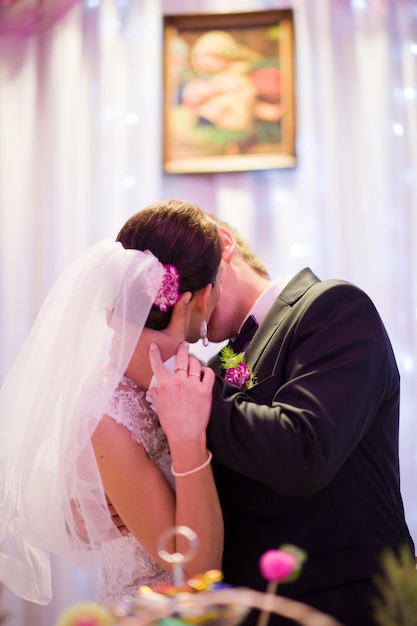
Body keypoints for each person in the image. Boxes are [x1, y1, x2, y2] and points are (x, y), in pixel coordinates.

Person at [128, 214, 415, 626]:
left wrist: (177, 381)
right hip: (252, 607)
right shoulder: (222, 363)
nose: (191, 315)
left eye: (187, 295)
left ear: (223, 244)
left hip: (346, 602)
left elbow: (305, 452)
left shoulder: (333, 306)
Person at [0, 199, 224, 607]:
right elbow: (194, 571)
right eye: (219, 285)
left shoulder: (185, 382)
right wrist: (188, 438)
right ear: (199, 299)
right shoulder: (109, 417)